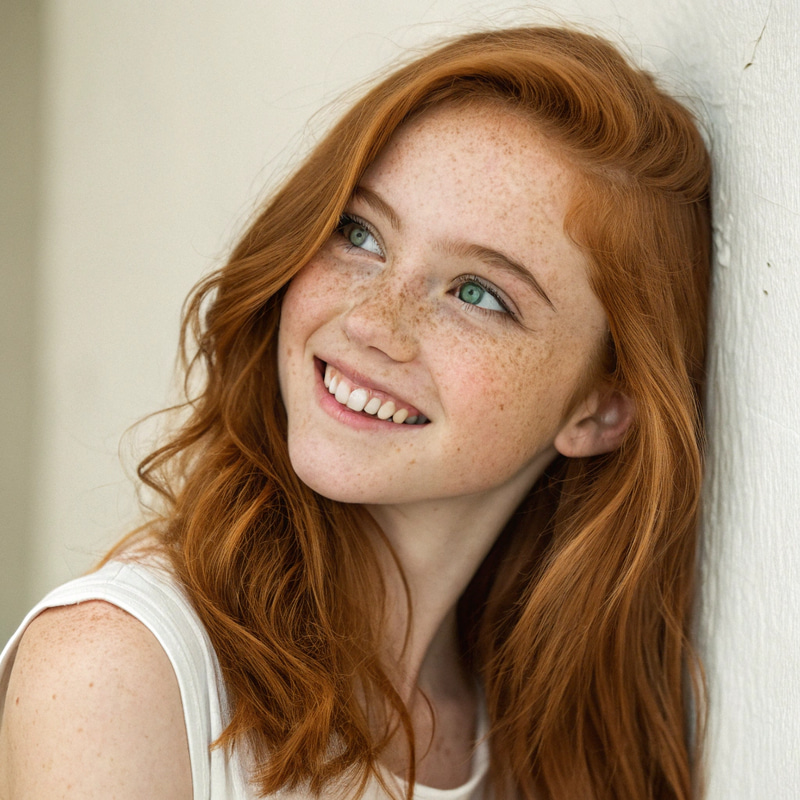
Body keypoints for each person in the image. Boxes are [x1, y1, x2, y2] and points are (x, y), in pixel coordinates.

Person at [0, 24, 711, 800]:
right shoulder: (118, 671)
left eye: (477, 293)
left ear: (601, 409)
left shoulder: (556, 745)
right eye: (359, 233)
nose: (372, 321)